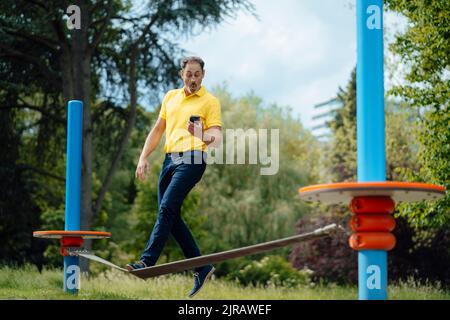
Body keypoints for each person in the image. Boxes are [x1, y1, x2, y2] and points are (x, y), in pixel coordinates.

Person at [127, 56, 222, 298]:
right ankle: (201, 266)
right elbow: (158, 129)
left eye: (197, 74)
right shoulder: (170, 97)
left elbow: (217, 138)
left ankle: (147, 261)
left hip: (193, 159)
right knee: (170, 214)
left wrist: (201, 133)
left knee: (167, 208)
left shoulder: (210, 101)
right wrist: (143, 156)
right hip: (170, 160)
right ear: (182, 74)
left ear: (203, 75)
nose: (193, 78)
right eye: (189, 73)